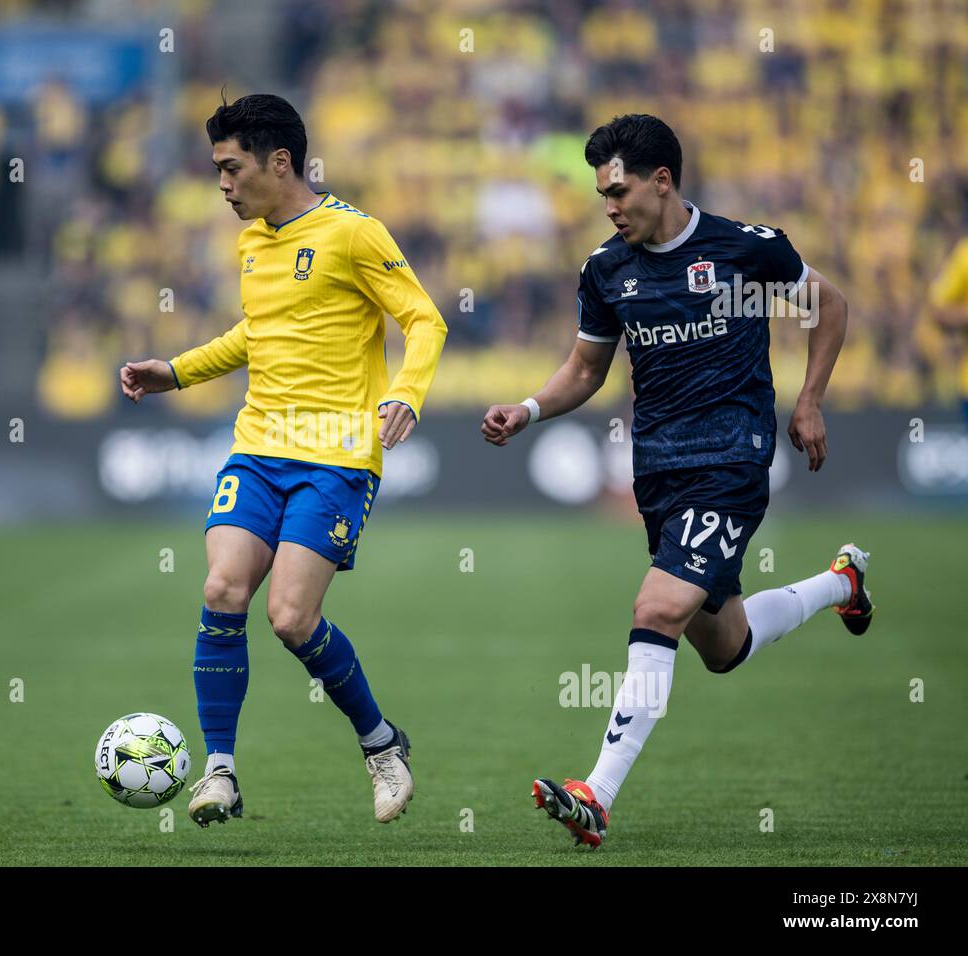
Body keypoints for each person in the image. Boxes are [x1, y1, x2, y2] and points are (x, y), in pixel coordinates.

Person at [481, 114, 873, 848]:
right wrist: (530, 409)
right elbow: (587, 370)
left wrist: (811, 398)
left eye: (620, 190)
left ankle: (595, 794)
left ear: (663, 181)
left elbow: (832, 306)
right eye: (602, 193)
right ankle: (842, 584)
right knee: (723, 644)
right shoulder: (607, 270)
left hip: (730, 460)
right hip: (658, 469)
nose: (610, 205)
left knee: (656, 608)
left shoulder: (743, 252)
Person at [120, 94, 447, 826]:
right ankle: (221, 773)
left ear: (279, 161)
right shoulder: (252, 244)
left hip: (335, 458)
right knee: (221, 591)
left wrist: (406, 393)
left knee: (292, 618)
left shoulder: (353, 235)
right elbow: (257, 336)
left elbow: (425, 319)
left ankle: (381, 742)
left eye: (232, 168)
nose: (223, 184)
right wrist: (175, 371)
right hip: (258, 447)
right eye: (216, 171)